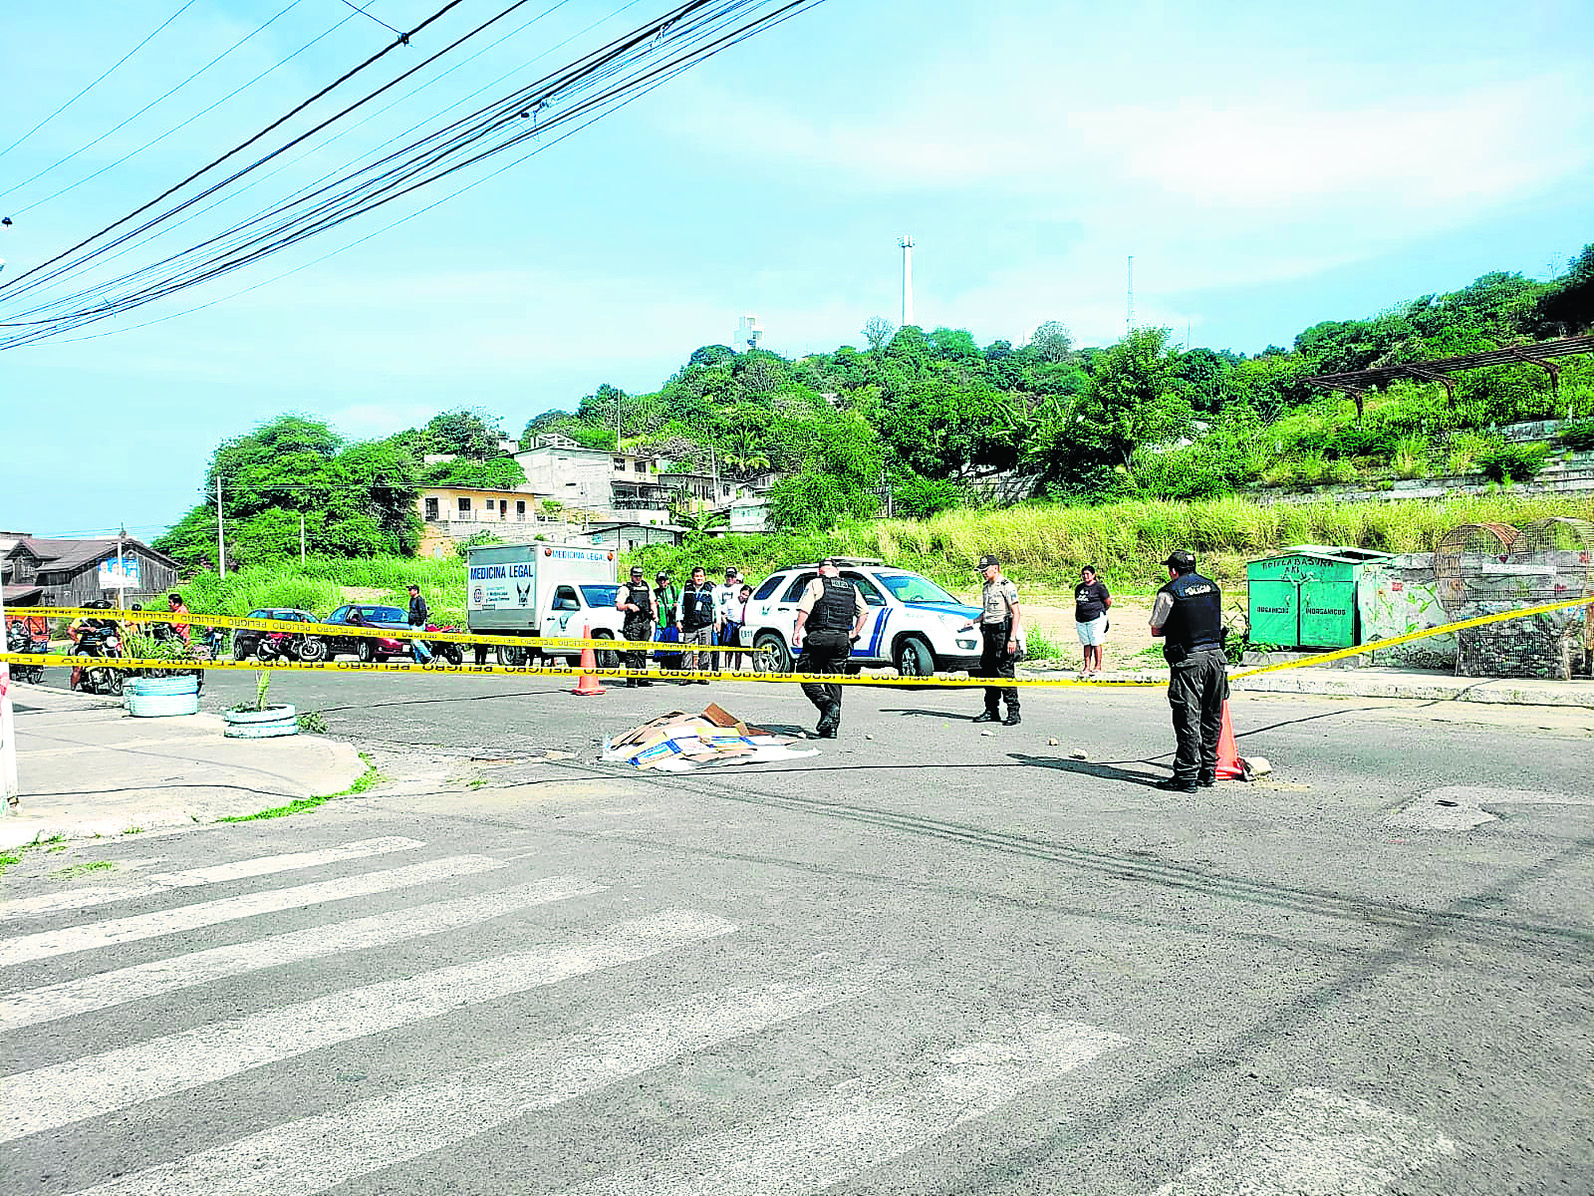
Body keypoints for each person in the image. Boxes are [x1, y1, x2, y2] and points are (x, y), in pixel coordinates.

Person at [1149, 549, 1228, 792]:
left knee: (1187, 717)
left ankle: (1185, 776)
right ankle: (1208, 772)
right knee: (1212, 717)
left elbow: (1156, 629)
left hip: (1189, 661)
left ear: (1173, 571)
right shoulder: (1212, 586)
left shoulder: (1169, 592)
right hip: (1217, 657)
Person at [792, 557, 868, 738]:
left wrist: (797, 630)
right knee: (834, 681)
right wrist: (854, 632)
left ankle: (827, 705)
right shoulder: (852, 587)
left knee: (805, 674)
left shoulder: (816, 583)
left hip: (819, 636)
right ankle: (831, 727)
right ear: (838, 572)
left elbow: (805, 610)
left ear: (820, 571)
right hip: (842, 638)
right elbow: (864, 612)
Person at [960, 554, 1022, 726]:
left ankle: (1013, 712)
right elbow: (986, 612)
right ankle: (991, 710)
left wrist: (1012, 638)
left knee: (1005, 672)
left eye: (985, 570)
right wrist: (973, 621)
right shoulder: (986, 587)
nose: (983, 573)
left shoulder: (1007, 586)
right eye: (981, 571)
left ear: (995, 568)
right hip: (988, 631)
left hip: (1002, 633)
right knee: (988, 671)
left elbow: (1016, 613)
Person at [615, 565, 656, 687]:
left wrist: (655, 615)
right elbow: (618, 605)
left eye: (639, 576)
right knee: (632, 651)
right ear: (631, 576)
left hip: (645, 622)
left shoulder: (647, 586)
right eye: (635, 576)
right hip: (633, 623)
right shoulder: (625, 589)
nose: (638, 578)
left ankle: (642, 678)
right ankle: (632, 679)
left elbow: (652, 602)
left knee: (643, 651)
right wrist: (628, 606)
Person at [679, 565, 718, 683]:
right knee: (687, 650)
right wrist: (678, 620)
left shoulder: (710, 589)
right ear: (693, 577)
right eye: (696, 576)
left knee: (705, 650)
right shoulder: (686, 588)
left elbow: (716, 606)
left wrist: (717, 622)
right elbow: (680, 605)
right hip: (690, 625)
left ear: (705, 577)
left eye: (701, 576)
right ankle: (687, 675)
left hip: (705, 624)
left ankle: (703, 675)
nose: (699, 578)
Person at [1073, 565, 1112, 675]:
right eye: (1083, 574)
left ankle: (1098, 666)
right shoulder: (1079, 587)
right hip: (1081, 619)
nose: (1085, 576)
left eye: (1087, 574)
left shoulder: (1099, 587)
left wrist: (1101, 611)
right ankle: (1086, 666)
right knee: (1086, 643)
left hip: (1095, 618)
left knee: (1096, 642)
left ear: (1093, 575)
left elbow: (1108, 601)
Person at [653, 570, 683, 675]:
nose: (662, 582)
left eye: (664, 580)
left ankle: (674, 670)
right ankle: (663, 669)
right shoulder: (654, 593)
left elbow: (682, 603)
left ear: (668, 580)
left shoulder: (675, 591)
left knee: (674, 648)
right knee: (661, 649)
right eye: (660, 580)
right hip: (661, 625)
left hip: (672, 624)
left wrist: (677, 606)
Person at [407, 584, 433, 664]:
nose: (409, 592)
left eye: (411, 590)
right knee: (414, 644)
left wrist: (419, 621)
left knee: (416, 642)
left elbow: (423, 612)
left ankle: (428, 656)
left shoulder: (419, 600)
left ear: (415, 591)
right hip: (413, 623)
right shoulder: (412, 600)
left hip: (417, 624)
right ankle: (418, 660)